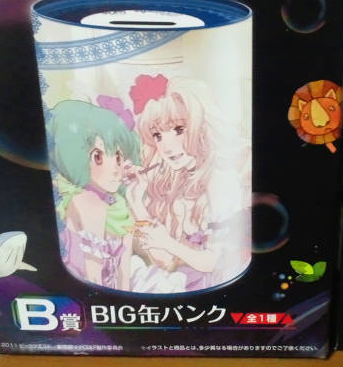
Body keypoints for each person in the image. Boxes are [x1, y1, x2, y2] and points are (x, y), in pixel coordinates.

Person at [126, 74, 250, 292]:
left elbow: (213, 262)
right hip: (184, 288)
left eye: (178, 130)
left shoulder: (221, 179)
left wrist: (167, 243)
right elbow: (165, 261)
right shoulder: (178, 178)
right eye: (157, 135)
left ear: (200, 126)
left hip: (217, 290)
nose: (167, 146)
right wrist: (137, 204)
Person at [49, 99, 140, 291]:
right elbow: (93, 276)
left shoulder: (120, 207)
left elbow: (124, 276)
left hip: (110, 301)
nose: (114, 169)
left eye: (118, 157)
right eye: (98, 157)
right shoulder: (86, 202)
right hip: (81, 296)